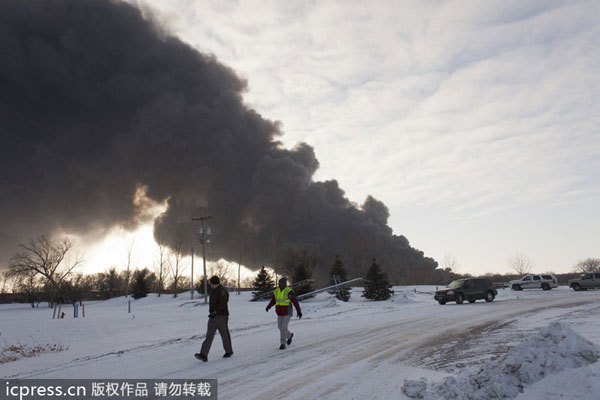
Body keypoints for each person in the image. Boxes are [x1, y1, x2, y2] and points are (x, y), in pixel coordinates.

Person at [195, 276, 233, 362]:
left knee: (224, 334)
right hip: (213, 316)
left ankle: (229, 351)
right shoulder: (214, 291)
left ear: (214, 283)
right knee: (209, 335)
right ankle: (203, 354)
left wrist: (215, 311)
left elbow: (223, 303)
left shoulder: (222, 291)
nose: (210, 284)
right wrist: (212, 313)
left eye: (211, 283)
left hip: (221, 316)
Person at [266, 277, 302, 349]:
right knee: (280, 327)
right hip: (279, 312)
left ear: (285, 284)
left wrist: (299, 311)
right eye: (279, 283)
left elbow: (295, 302)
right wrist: (269, 306)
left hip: (287, 312)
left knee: (283, 327)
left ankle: (283, 343)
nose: (280, 284)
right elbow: (273, 300)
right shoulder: (276, 291)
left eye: (281, 283)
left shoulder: (289, 291)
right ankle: (289, 335)